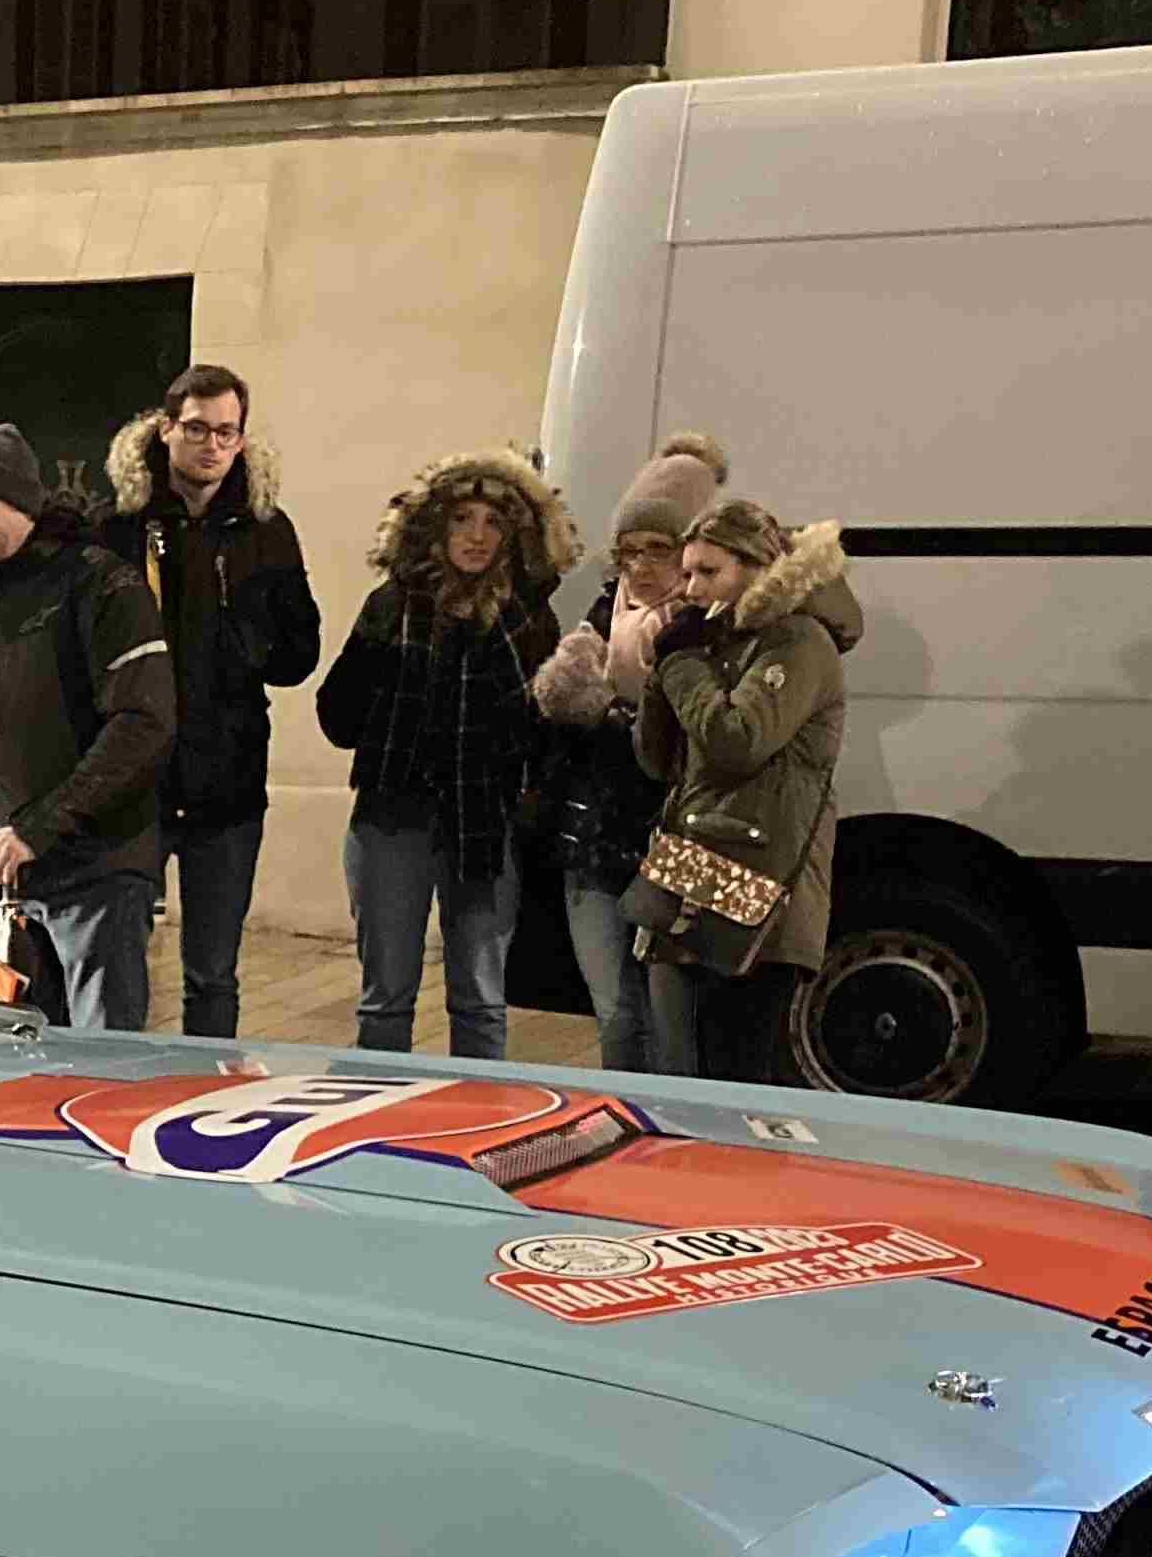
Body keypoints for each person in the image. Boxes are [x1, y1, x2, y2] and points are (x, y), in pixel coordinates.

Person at [0, 423, 175, 1030]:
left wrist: (38, 828)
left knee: (103, 1061)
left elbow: (142, 723)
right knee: (7, 1058)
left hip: (94, 879)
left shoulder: (102, 584)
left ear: (24, 503)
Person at [315, 449, 574, 1058]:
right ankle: (380, 1109)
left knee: (481, 1001)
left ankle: (478, 1111)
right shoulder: (393, 604)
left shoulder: (529, 618)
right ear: (435, 526)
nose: (476, 537)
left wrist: (530, 802)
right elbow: (338, 718)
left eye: (493, 523)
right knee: (386, 997)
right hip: (393, 815)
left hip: (485, 822)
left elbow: (546, 734)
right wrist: (377, 661)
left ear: (514, 534)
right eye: (462, 520)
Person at [101, 367, 322, 1039]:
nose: (212, 445)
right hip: (133, 783)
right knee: (116, 966)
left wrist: (246, 640)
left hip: (227, 781)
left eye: (227, 432)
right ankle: (122, 1084)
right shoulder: (118, 526)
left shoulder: (266, 529)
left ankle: (207, 1090)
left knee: (213, 974)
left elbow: (300, 654)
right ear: (166, 428)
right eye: (197, 428)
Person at [627, 497, 861, 1086]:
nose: (692, 589)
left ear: (758, 568)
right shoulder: (716, 640)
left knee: (736, 1077)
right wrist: (664, 672)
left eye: (709, 572)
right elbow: (656, 760)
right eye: (687, 573)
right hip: (690, 872)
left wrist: (682, 666)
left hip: (760, 885)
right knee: (677, 1070)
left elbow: (739, 741)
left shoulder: (798, 641)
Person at [530, 431, 728, 1073]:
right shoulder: (597, 620)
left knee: (676, 1022)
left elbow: (696, 744)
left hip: (672, 848)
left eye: (658, 549)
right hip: (591, 843)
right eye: (629, 551)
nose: (640, 567)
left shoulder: (711, 632)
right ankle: (626, 1120)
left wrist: (612, 717)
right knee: (614, 1011)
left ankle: (677, 1127)